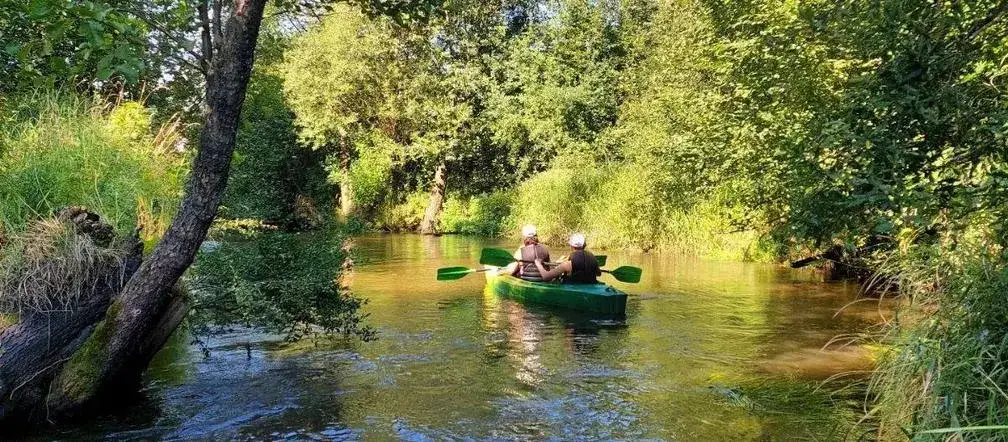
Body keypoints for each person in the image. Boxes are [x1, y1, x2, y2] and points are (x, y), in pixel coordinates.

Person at [534, 233, 601, 284]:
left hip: (574, 290)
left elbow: (546, 277)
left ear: (571, 246)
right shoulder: (593, 258)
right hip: (590, 286)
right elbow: (599, 274)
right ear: (584, 245)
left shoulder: (567, 264)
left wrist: (538, 264)